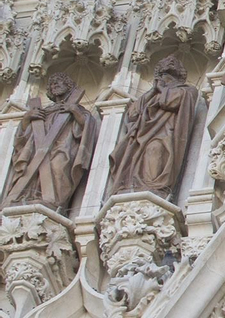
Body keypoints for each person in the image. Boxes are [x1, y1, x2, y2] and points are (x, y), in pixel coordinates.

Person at [107, 55, 199, 199]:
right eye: (166, 62)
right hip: (142, 134)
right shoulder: (151, 94)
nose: (170, 61)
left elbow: (172, 102)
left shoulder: (187, 90)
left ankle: (155, 188)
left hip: (166, 132)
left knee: (155, 149)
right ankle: (136, 187)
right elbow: (133, 114)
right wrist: (153, 91)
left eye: (174, 62)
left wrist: (162, 89)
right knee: (136, 157)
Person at [4, 72, 98, 212]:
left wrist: (74, 111)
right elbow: (22, 137)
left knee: (59, 168)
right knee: (32, 169)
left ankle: (54, 202)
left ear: (68, 85)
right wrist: (27, 118)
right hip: (37, 147)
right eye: (52, 84)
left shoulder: (77, 109)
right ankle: (28, 196)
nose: (54, 85)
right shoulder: (44, 111)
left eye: (58, 82)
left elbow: (87, 128)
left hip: (63, 147)